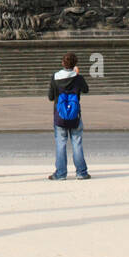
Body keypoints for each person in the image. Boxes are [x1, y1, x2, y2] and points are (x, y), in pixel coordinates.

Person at [48, 52, 91, 180]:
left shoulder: (55, 77)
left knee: (60, 144)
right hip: (74, 115)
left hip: (59, 115)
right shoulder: (78, 78)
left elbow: (50, 97)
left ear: (62, 63)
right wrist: (77, 75)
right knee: (77, 143)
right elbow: (86, 90)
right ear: (75, 64)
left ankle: (61, 173)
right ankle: (81, 172)